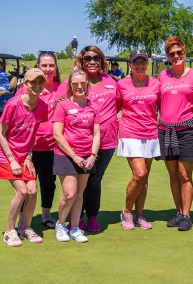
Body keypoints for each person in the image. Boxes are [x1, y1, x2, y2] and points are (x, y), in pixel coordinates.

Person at [57, 45, 118, 232]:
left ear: (102, 61)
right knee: (76, 182)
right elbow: (58, 104)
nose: (92, 62)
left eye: (96, 58)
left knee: (94, 180)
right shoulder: (73, 82)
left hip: (106, 142)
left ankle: (92, 216)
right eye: (87, 59)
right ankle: (76, 219)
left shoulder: (112, 82)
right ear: (81, 62)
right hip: (78, 144)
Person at [0, 68, 48, 246]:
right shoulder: (13, 104)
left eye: (40, 82)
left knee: (32, 191)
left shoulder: (43, 106)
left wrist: (29, 155)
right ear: (26, 84)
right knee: (22, 191)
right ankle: (10, 231)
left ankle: (25, 228)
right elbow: (1, 134)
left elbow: (32, 133)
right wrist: (12, 159)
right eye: (34, 82)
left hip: (24, 155)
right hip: (5, 153)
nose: (37, 86)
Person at [158, 36, 193, 231]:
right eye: (172, 54)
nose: (176, 56)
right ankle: (178, 212)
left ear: (184, 52)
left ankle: (186, 215)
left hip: (187, 131)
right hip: (166, 130)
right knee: (173, 174)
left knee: (185, 174)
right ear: (168, 56)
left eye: (179, 52)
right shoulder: (162, 76)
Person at [52, 68, 101, 243]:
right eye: (75, 84)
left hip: (86, 155)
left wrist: (93, 156)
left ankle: (74, 228)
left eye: (83, 83)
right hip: (66, 155)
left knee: (80, 194)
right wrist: (74, 156)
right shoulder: (63, 105)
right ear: (70, 86)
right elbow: (57, 134)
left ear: (87, 85)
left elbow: (96, 134)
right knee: (69, 194)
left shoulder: (93, 106)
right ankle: (60, 224)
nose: (79, 87)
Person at [15, 51, 62, 230]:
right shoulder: (26, 89)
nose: (48, 69)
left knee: (49, 183)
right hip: (29, 148)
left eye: (51, 65)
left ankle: (45, 216)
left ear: (56, 68)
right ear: (38, 67)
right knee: (26, 186)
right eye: (44, 65)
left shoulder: (63, 87)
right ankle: (21, 221)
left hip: (53, 146)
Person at [116, 50, 161, 230]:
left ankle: (140, 215)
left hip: (150, 133)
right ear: (131, 64)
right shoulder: (122, 84)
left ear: (147, 63)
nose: (140, 66)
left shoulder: (156, 84)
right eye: (136, 62)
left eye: (143, 62)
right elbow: (117, 108)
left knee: (145, 178)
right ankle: (127, 211)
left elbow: (162, 106)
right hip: (130, 132)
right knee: (139, 173)